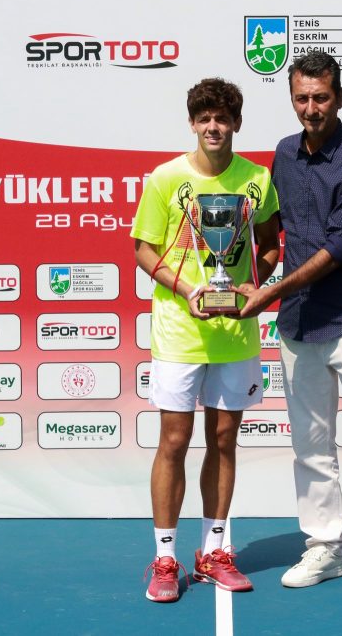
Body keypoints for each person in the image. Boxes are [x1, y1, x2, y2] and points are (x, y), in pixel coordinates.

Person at [236, 52, 342, 601]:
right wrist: (242, 278)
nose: (311, 108)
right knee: (310, 447)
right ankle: (326, 548)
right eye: (302, 98)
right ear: (292, 99)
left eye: (321, 98)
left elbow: (338, 248)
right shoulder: (283, 153)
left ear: (339, 98)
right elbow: (272, 233)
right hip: (299, 324)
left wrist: (270, 293)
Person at [131, 78, 280, 603]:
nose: (213, 127)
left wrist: (254, 285)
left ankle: (214, 552)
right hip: (179, 329)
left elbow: (269, 244)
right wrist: (188, 289)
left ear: (236, 123)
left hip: (235, 332)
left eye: (222, 118)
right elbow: (143, 249)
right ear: (193, 123)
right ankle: (165, 558)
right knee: (174, 441)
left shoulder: (258, 179)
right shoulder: (166, 178)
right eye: (204, 118)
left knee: (223, 440)